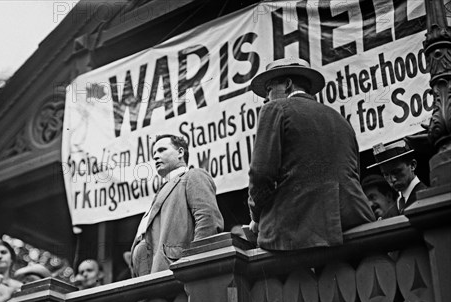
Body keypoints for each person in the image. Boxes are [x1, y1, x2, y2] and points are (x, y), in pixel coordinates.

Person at [247, 58, 374, 251]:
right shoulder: (340, 119)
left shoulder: (275, 108)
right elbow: (353, 172)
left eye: (269, 89)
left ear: (288, 84)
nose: (266, 98)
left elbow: (261, 174)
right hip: (354, 222)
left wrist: (256, 218)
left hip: (299, 232)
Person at [131, 134, 224, 276]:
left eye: (162, 150)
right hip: (151, 278)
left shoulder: (193, 176)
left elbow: (208, 221)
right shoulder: (161, 191)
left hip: (179, 275)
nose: (156, 156)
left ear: (180, 152)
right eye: (154, 153)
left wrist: (193, 265)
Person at [369, 139, 427, 214]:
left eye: (396, 172)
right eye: (386, 174)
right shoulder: (390, 212)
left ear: (412, 165)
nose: (392, 179)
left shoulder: (427, 197)